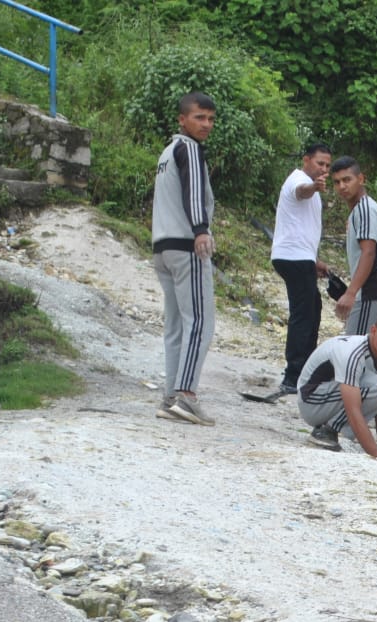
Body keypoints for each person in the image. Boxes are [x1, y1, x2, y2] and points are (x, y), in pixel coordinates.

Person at [153, 92, 218, 426]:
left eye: (210, 118)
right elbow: (193, 192)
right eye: (199, 117)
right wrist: (201, 229)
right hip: (187, 245)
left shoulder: (167, 152)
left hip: (162, 246)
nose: (206, 124)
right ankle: (186, 396)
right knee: (201, 322)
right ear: (182, 119)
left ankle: (170, 395)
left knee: (177, 324)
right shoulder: (190, 149)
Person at [296, 308, 377, 462]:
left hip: (331, 399)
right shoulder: (353, 352)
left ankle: (333, 429)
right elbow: (353, 409)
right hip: (312, 402)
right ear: (374, 331)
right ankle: (327, 430)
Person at [270, 142, 332, 395]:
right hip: (292, 257)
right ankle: (293, 375)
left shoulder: (311, 188)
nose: (323, 169)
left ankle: (303, 369)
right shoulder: (298, 180)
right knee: (303, 314)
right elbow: (301, 191)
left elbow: (300, 225)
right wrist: (314, 186)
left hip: (299, 256)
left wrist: (313, 259)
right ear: (306, 160)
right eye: (320, 164)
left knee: (312, 308)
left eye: (327, 165)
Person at [329, 157, 377, 336]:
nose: (342, 186)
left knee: (357, 348)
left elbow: (369, 251)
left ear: (361, 179)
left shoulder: (364, 209)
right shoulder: (366, 209)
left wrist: (351, 293)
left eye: (347, 179)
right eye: (337, 182)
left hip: (374, 292)